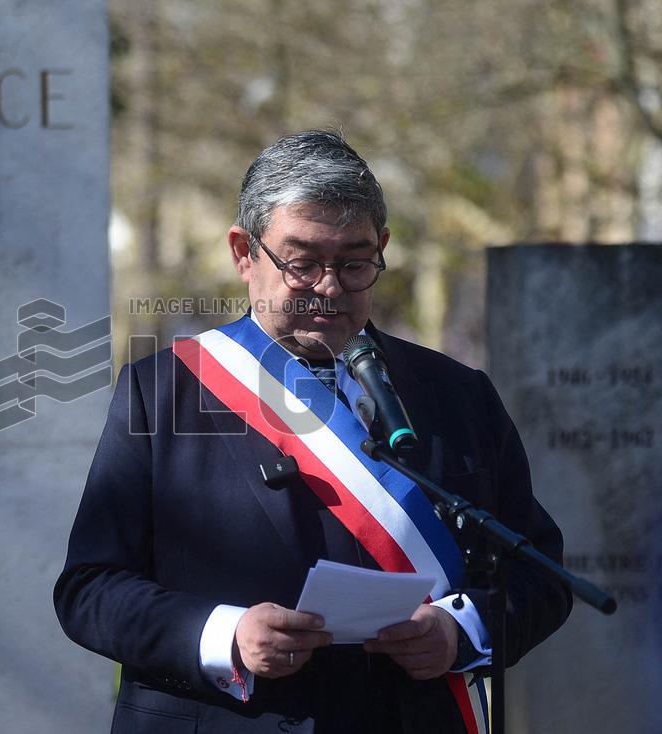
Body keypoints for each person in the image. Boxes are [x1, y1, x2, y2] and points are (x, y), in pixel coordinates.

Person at [54, 130, 571, 733]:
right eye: (302, 264)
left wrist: (463, 631)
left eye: (354, 263)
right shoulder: (164, 392)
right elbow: (90, 590)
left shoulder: (457, 394)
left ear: (382, 247)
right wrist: (227, 635)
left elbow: (539, 573)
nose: (329, 287)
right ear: (244, 253)